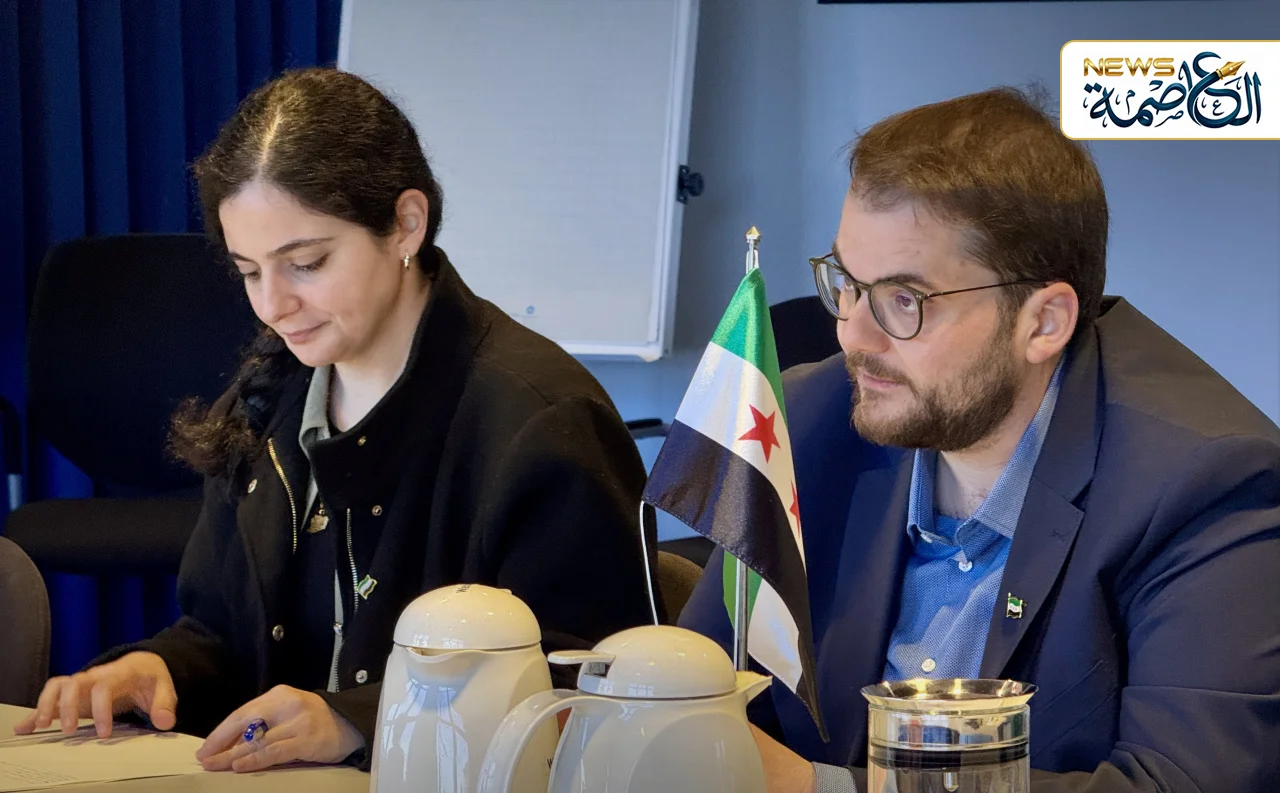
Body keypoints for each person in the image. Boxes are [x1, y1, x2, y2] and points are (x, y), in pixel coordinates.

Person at [16, 67, 662, 773]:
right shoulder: (266, 400)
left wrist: (355, 719)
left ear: (406, 224)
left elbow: (589, 684)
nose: (273, 305)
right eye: (249, 271)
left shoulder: (541, 420)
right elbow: (225, 634)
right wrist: (162, 668)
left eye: (307, 263)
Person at [680, 87, 1280, 792]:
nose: (852, 334)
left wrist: (821, 787)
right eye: (847, 282)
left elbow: (1182, 783)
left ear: (1043, 322)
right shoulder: (806, 417)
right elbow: (697, 692)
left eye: (905, 300)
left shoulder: (1207, 483)